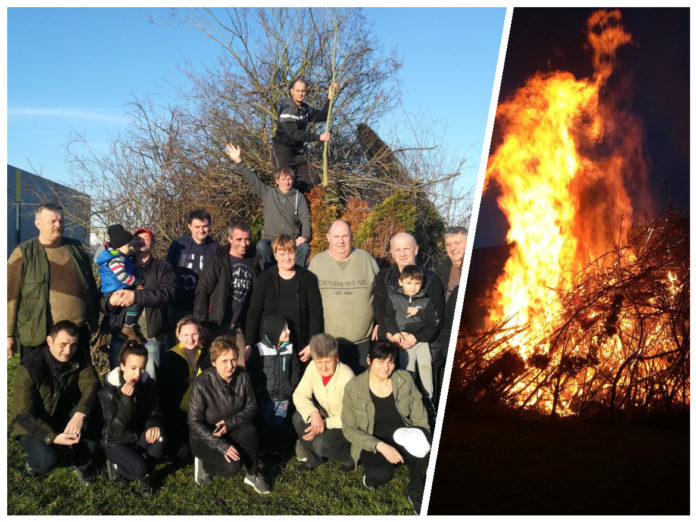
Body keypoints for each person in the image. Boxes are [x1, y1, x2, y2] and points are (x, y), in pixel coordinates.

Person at [341, 341, 431, 514]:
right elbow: (349, 429)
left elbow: (420, 419)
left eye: (390, 361)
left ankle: (416, 493)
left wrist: (423, 441)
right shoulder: (354, 387)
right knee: (381, 474)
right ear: (369, 360)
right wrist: (380, 446)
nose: (386, 367)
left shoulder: (405, 380)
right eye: (380, 361)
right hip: (374, 441)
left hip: (406, 434)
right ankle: (371, 477)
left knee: (427, 466)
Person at [10, 320, 100, 485]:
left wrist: (80, 414)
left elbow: (92, 384)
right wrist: (53, 437)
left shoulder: (79, 356)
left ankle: (82, 465)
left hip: (62, 414)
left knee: (94, 408)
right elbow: (23, 416)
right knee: (48, 460)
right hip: (30, 423)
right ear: (49, 341)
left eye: (73, 345)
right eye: (63, 344)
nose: (68, 351)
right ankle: (33, 465)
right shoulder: (29, 368)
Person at [7, 203, 99, 359]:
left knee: (80, 381)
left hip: (77, 335)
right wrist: (8, 334)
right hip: (39, 334)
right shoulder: (23, 253)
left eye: (61, 221)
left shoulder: (76, 249)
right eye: (53, 221)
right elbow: (9, 296)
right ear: (38, 224)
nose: (58, 225)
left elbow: (90, 285)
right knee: (40, 382)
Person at [188, 336, 270, 494]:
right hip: (205, 437)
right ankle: (205, 464)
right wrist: (220, 445)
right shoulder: (202, 383)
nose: (230, 366)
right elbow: (194, 422)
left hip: (231, 429)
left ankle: (252, 474)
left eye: (233, 359)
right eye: (224, 361)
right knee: (232, 467)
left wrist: (230, 422)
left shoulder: (243, 376)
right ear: (213, 362)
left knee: (251, 430)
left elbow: (252, 406)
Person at [101, 227, 176, 379]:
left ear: (153, 243)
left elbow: (168, 294)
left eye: (146, 238)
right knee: (117, 376)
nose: (141, 241)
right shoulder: (120, 263)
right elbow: (102, 299)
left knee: (150, 377)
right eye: (137, 238)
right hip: (121, 333)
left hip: (150, 334)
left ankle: (148, 402)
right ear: (131, 242)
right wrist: (110, 302)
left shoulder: (163, 267)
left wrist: (137, 296)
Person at [225, 143, 312, 270]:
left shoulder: (299, 197)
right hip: (271, 241)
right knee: (261, 246)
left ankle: (297, 276)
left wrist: (304, 236)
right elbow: (252, 179)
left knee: (304, 248)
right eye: (283, 179)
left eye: (289, 179)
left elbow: (305, 218)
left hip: (290, 241)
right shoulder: (268, 193)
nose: (287, 182)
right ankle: (269, 276)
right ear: (277, 181)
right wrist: (239, 161)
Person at [244, 234, 323, 372]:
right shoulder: (265, 279)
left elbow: (316, 312)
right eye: (282, 253)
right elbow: (253, 313)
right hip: (269, 349)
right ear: (275, 255)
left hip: (300, 346)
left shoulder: (307, 279)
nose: (287, 257)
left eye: (291, 252)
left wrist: (313, 344)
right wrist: (249, 344)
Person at [308, 220, 379, 374]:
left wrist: (379, 322)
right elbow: (308, 304)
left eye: (345, 236)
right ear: (328, 237)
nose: (341, 241)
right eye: (336, 236)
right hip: (329, 347)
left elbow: (381, 295)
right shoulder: (316, 264)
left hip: (363, 344)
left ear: (351, 237)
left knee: (361, 392)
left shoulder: (366, 259)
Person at [99, 340, 165, 496]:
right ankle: (117, 467)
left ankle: (145, 477)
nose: (138, 374)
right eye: (133, 368)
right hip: (115, 441)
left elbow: (156, 412)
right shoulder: (108, 390)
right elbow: (115, 429)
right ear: (122, 365)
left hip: (137, 438)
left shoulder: (147, 384)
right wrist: (126, 400)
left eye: (142, 368)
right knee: (138, 469)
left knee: (160, 437)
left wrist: (152, 425)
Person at [292, 333, 354, 473]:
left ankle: (351, 457)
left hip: (347, 425)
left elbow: (351, 417)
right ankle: (314, 458)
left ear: (336, 358)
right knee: (298, 417)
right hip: (326, 416)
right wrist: (313, 414)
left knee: (321, 444)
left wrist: (324, 424)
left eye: (328, 361)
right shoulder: (312, 368)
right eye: (319, 362)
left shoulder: (347, 376)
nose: (323, 367)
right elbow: (299, 394)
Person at [193, 223, 260, 343]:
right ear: (229, 239)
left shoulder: (254, 263)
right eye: (239, 239)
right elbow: (202, 291)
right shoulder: (217, 261)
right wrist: (202, 323)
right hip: (217, 325)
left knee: (240, 362)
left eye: (247, 239)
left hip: (240, 327)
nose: (243, 244)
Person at [271, 79, 337, 193]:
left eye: (303, 91)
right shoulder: (287, 108)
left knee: (312, 179)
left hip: (296, 153)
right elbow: (295, 134)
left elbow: (323, 116)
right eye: (298, 91)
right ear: (292, 91)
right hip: (282, 151)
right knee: (285, 183)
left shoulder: (305, 108)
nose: (301, 94)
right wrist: (318, 137)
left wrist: (330, 98)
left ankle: (301, 205)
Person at [158, 316, 210, 460]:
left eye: (194, 334)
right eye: (185, 335)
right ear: (179, 336)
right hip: (178, 414)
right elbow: (165, 395)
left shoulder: (206, 355)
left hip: (202, 412)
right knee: (182, 453)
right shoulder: (171, 358)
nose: (190, 339)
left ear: (200, 334)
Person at [383, 265, 438, 401]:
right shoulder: (394, 298)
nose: (413, 287)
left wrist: (419, 312)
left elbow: (433, 321)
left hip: (421, 342)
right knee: (408, 373)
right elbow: (388, 318)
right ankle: (408, 401)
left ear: (421, 283)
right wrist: (396, 334)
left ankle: (428, 401)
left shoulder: (425, 301)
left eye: (417, 283)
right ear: (401, 282)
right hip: (403, 343)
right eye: (409, 283)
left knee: (426, 372)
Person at [166, 209, 220, 345]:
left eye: (205, 226)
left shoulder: (215, 248)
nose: (201, 230)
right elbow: (168, 271)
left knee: (200, 346)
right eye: (197, 227)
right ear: (189, 226)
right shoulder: (178, 245)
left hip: (202, 307)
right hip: (178, 305)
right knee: (176, 347)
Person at [246, 315, 294, 457]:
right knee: (264, 424)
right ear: (274, 331)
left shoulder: (290, 349)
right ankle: (264, 449)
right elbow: (252, 373)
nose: (289, 332)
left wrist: (291, 388)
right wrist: (257, 391)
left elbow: (294, 370)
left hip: (283, 396)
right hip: (264, 397)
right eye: (284, 329)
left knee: (279, 424)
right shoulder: (258, 350)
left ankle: (277, 450)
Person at [432, 226, 467, 407]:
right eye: (449, 244)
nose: (453, 248)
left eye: (458, 243)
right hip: (440, 335)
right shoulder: (441, 270)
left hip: (462, 335)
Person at [95, 224, 143, 342]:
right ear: (119, 246)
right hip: (115, 289)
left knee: (111, 315)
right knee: (134, 301)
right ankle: (128, 327)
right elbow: (122, 276)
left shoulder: (116, 255)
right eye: (128, 246)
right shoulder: (117, 259)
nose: (130, 248)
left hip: (109, 290)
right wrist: (136, 281)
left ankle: (103, 334)